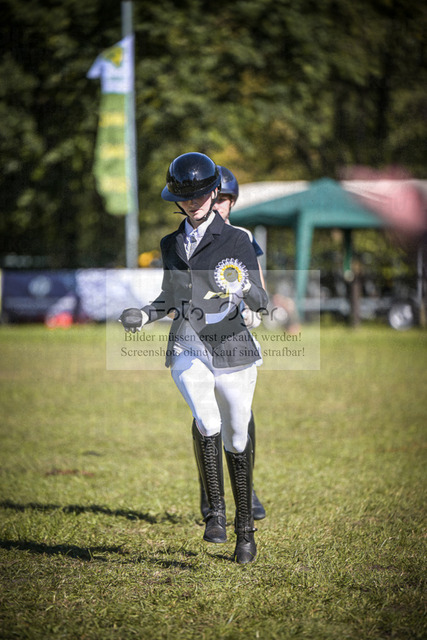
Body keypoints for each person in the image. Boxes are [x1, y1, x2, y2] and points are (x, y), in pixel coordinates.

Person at [119, 152, 268, 564]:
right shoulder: (170, 244)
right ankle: (215, 513)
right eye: (185, 197)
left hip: (231, 346)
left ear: (214, 192)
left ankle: (245, 530)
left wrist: (243, 289)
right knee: (206, 420)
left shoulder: (237, 240)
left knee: (236, 436)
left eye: (200, 195)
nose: (193, 203)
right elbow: (169, 296)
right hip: (188, 344)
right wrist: (144, 315)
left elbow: (261, 299)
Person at [195, 165, 266, 523]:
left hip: (236, 332)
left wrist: (256, 311)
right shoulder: (195, 234)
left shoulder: (242, 235)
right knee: (205, 412)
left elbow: (257, 282)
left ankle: (245, 485)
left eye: (224, 199)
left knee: (241, 411)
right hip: (202, 334)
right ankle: (210, 492)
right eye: (215, 198)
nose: (218, 204)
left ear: (232, 202)